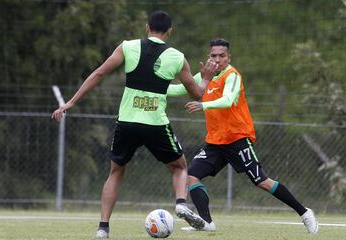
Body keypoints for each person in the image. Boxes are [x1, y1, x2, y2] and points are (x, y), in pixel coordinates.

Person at [52, 11, 218, 239]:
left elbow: (100, 72)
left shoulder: (127, 47)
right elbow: (196, 93)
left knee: (116, 171)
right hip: (155, 124)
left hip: (127, 122)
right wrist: (206, 77)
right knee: (180, 167)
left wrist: (70, 102)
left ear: (147, 28)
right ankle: (180, 203)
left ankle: (103, 228)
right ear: (169, 32)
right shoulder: (177, 57)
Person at [167, 38, 319, 234]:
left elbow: (228, 100)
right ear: (208, 57)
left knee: (262, 182)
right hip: (215, 141)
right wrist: (153, 87)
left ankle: (305, 212)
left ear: (228, 57)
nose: (217, 59)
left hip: (238, 138)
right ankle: (206, 223)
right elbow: (180, 88)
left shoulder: (233, 75)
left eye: (222, 56)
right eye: (213, 55)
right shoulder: (205, 76)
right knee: (192, 176)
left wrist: (203, 105)